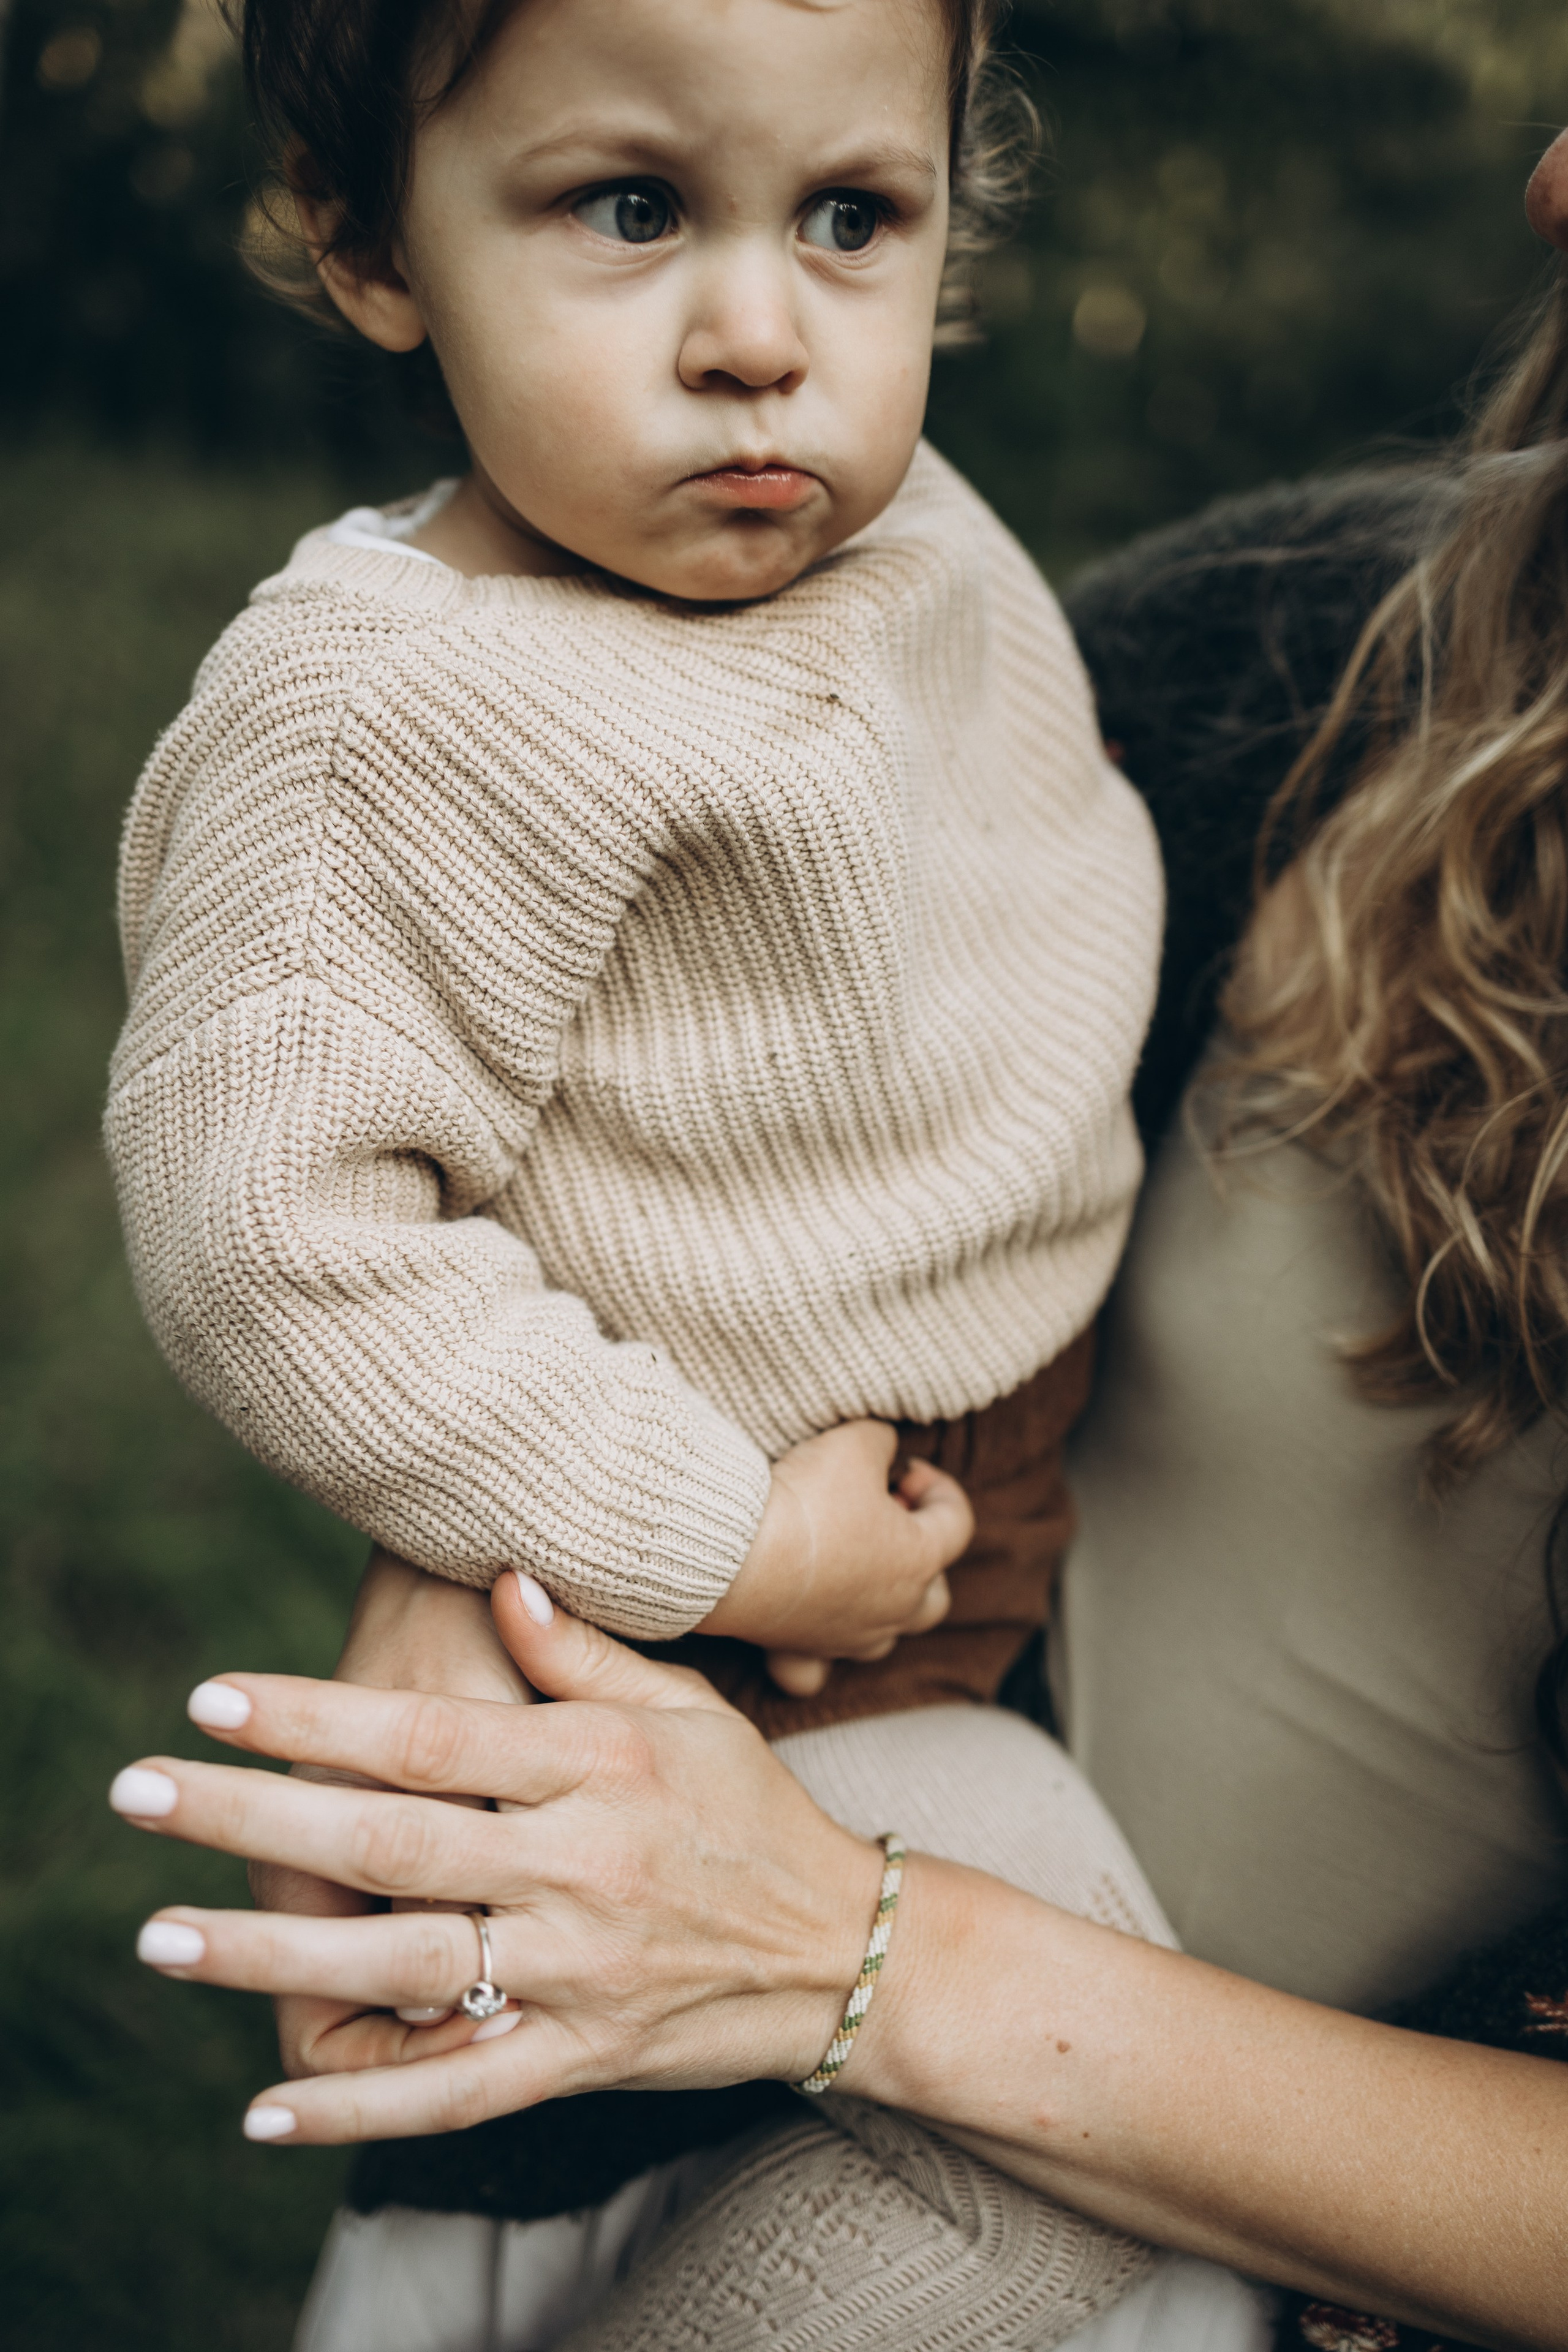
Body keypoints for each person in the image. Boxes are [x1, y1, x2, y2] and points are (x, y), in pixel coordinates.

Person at [111, 120, 1568, 2352]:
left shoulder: (912, 575)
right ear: (369, 240)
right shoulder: (1323, 633)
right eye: (627, 206)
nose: (1556, 172)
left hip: (1179, 2183)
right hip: (756, 1806)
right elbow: (660, 1131)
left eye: (853, 220)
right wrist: (535, 1533)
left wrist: (864, 1958)